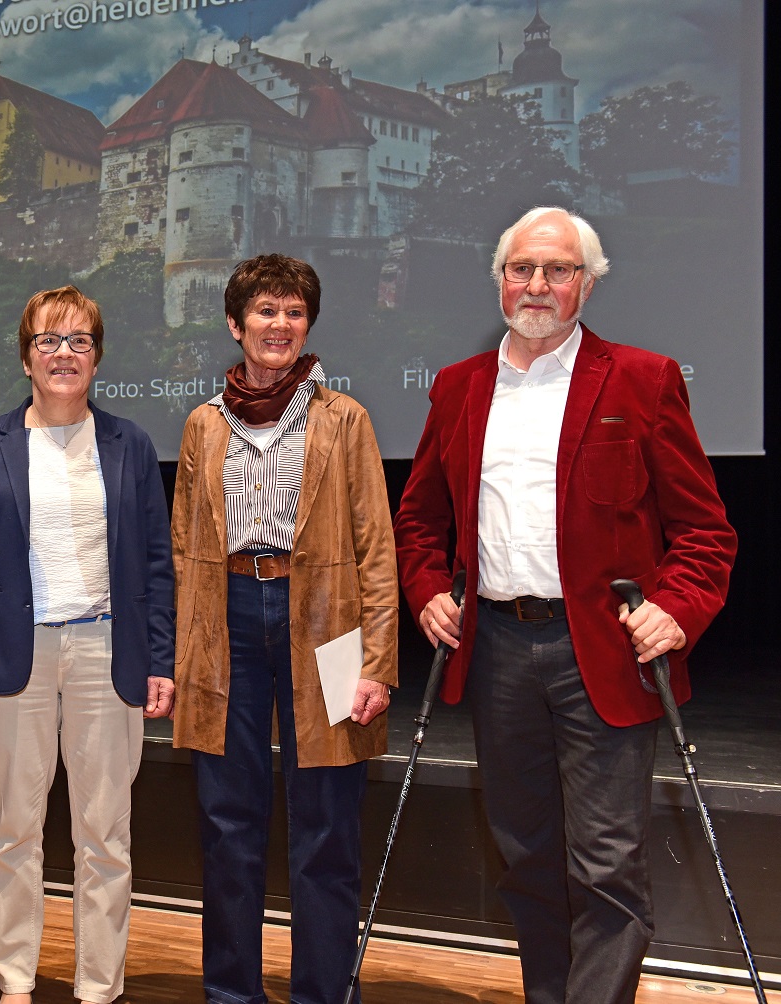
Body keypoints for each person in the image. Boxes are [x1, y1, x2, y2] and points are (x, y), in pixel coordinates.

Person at [393, 206, 736, 1004]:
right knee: (526, 858)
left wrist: (674, 608)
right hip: (497, 652)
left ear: (588, 283)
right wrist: (427, 591)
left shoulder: (644, 379)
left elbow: (704, 532)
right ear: (499, 280)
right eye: (522, 268)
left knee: (607, 865)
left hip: (605, 652)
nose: (538, 285)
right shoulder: (459, 387)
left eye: (559, 270)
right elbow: (419, 520)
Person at [0, 286, 176, 1004]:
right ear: (25, 358)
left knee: (106, 836)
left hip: (108, 654)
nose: (63, 353)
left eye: (79, 341)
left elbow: (156, 564)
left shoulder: (131, 444)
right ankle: (15, 980)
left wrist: (160, 658)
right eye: (48, 340)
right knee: (14, 832)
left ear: (97, 357)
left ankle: (99, 987)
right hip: (13, 657)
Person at [170, 255, 397, 1004]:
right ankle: (232, 993)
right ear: (236, 325)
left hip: (328, 625)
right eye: (265, 311)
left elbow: (376, 547)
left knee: (327, 825)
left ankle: (322, 994)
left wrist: (376, 663)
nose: (280, 324)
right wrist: (182, 651)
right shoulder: (203, 424)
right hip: (227, 620)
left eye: (294, 312)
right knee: (227, 823)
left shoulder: (345, 419)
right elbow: (183, 550)